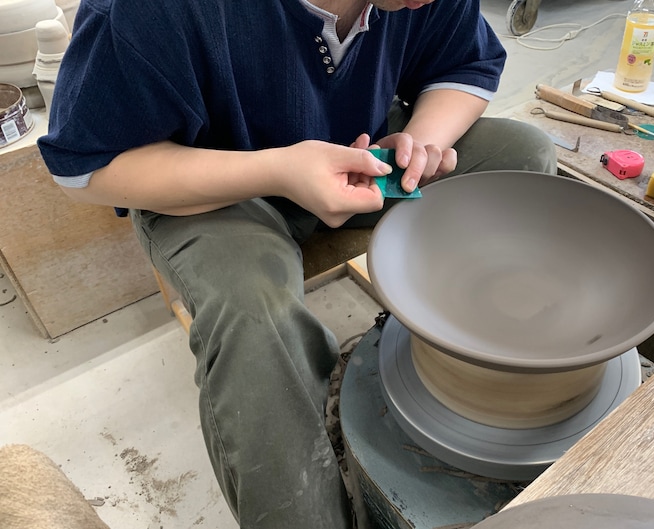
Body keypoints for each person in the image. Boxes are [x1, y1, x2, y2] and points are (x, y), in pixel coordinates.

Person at [37, 0, 557, 526]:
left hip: (356, 148)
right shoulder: (150, 11)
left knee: (522, 159)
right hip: (213, 184)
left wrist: (422, 144)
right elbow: (87, 166)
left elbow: (462, 62)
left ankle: (460, 374)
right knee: (253, 314)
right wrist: (279, 171)